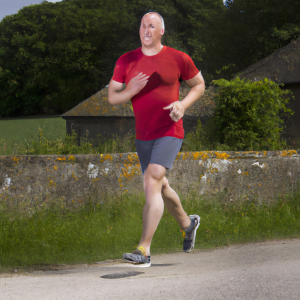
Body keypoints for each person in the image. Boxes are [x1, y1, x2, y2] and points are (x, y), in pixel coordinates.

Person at [108, 11, 205, 267]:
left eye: (152, 26)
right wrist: (131, 90)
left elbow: (199, 85)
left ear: (162, 31)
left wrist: (182, 106)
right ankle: (188, 223)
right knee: (159, 186)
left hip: (170, 130)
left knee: (153, 176)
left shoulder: (178, 58)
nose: (146, 30)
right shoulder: (126, 60)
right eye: (143, 26)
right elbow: (112, 96)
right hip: (144, 135)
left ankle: (144, 249)